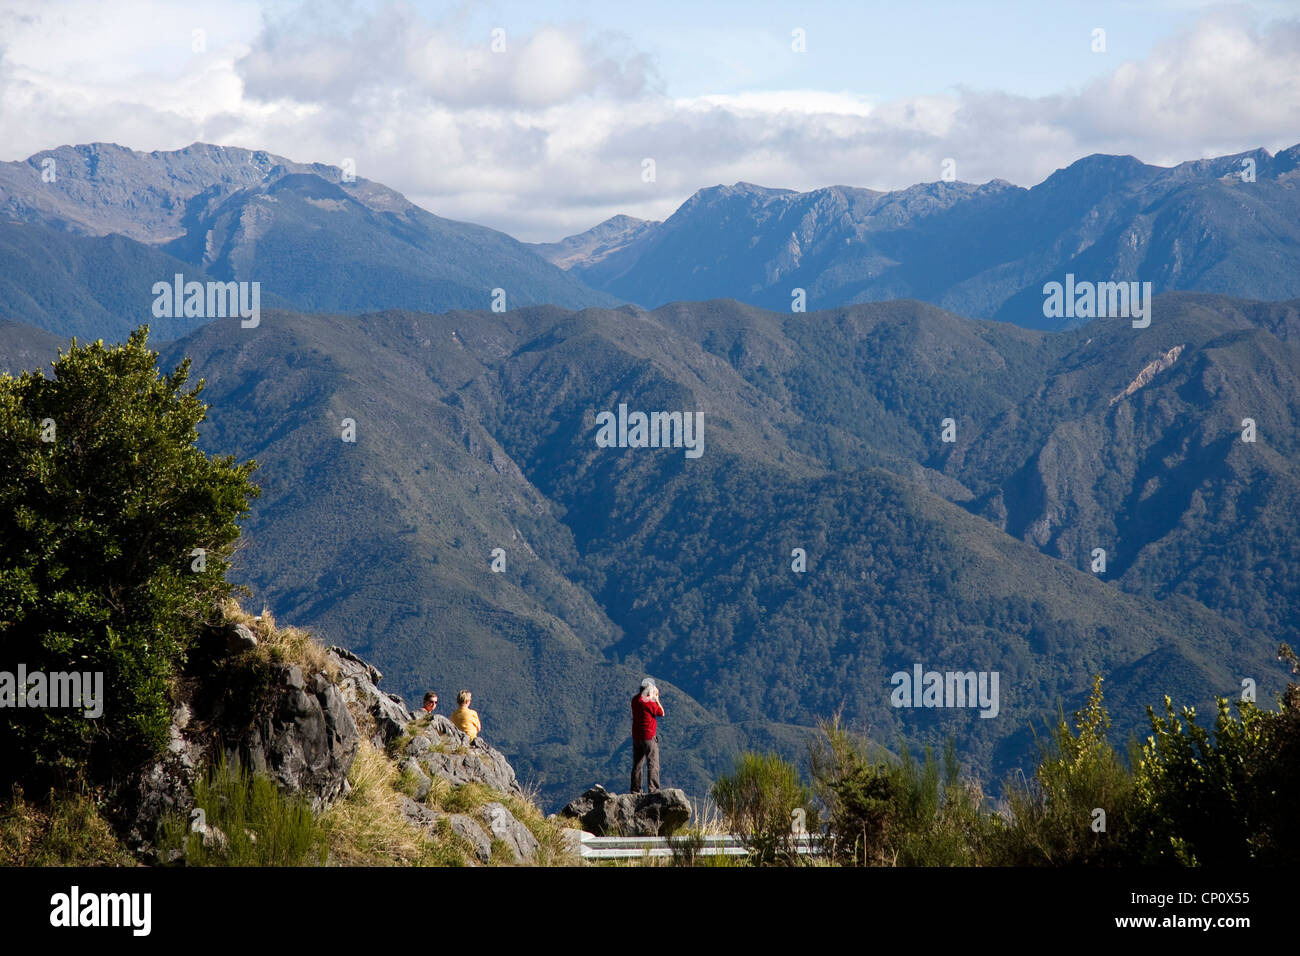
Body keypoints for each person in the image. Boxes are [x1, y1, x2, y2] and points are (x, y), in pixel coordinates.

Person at [630, 678, 665, 793]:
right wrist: (657, 699)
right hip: (649, 737)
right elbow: (661, 713)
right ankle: (653, 789)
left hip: (636, 736)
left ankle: (635, 789)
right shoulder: (649, 703)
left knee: (637, 764)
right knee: (653, 763)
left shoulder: (634, 700)